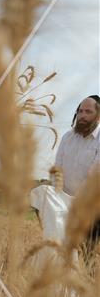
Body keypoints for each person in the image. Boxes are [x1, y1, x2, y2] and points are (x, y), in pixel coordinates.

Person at [55, 94, 100, 251]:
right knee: (63, 253)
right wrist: (58, 200)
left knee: (88, 255)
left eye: (88, 112)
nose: (82, 115)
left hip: (93, 208)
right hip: (65, 205)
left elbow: (94, 176)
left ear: (98, 116)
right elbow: (57, 171)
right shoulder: (67, 138)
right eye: (80, 111)